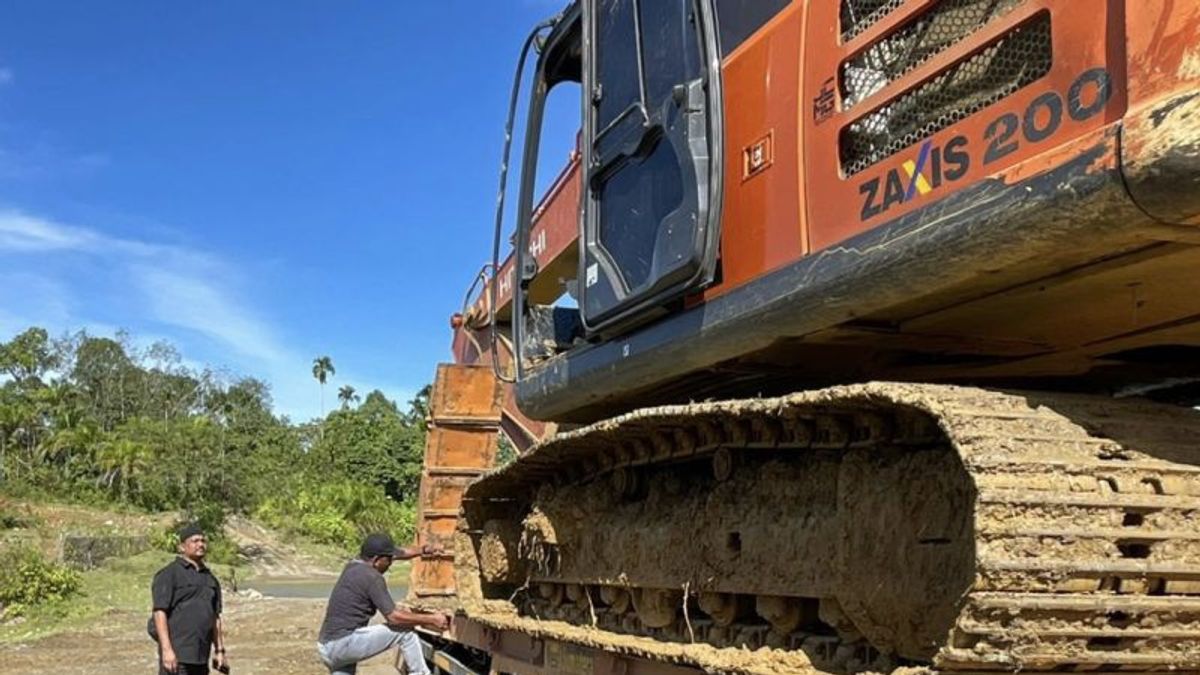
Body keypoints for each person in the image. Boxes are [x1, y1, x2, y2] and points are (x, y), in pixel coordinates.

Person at [317, 533, 451, 675]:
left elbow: (401, 553)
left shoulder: (354, 564)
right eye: (389, 560)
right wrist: (432, 619)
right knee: (405, 632)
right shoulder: (372, 577)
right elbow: (394, 617)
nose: (391, 562)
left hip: (326, 647)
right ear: (377, 560)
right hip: (343, 644)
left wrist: (424, 550)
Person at [149, 523, 227, 675]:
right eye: (195, 541)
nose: (201, 544)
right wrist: (167, 650)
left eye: (203, 541)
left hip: (201, 657)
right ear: (182, 547)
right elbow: (159, 612)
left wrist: (220, 651)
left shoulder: (211, 579)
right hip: (177, 656)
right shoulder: (169, 575)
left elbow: (215, 618)